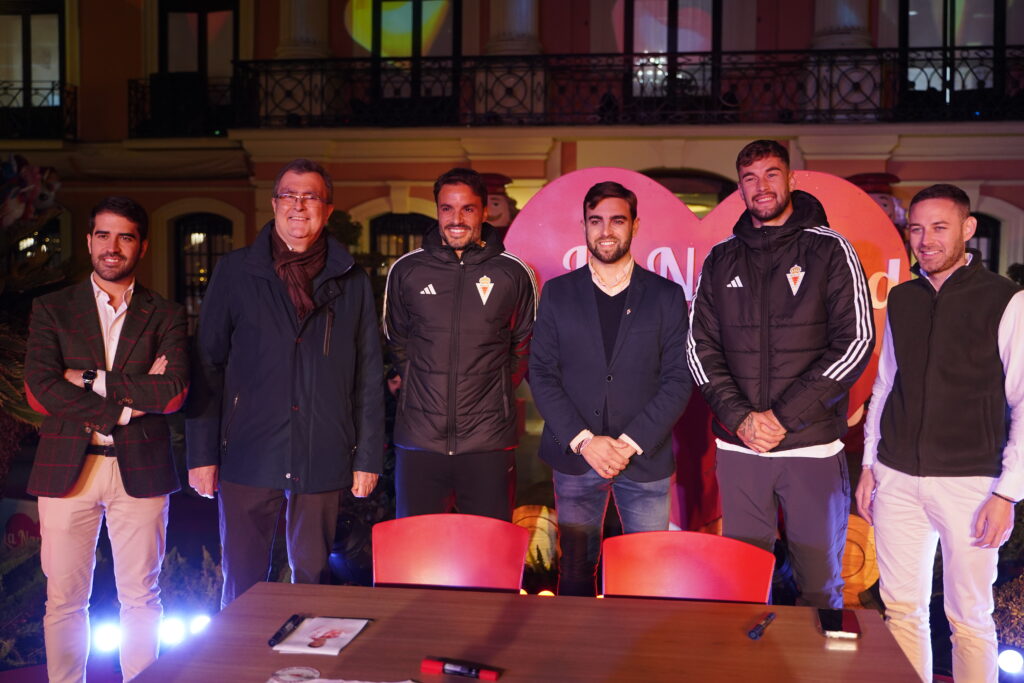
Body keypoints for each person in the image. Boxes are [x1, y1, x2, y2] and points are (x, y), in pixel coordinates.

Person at [187, 158, 384, 607]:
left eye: (310, 196)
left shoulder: (350, 278)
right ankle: (240, 671)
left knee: (312, 578)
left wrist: (368, 456)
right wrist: (201, 454)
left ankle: (304, 672)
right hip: (248, 449)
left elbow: (368, 372)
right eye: (289, 196)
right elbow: (207, 364)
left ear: (327, 209)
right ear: (274, 205)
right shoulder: (237, 271)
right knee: (242, 580)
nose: (299, 205)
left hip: (323, 446)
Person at [686, 139, 874, 608]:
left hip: (811, 447)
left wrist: (782, 417)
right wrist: (743, 419)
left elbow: (855, 343)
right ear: (740, 188)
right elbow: (699, 348)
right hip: (740, 445)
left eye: (771, 174)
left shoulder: (831, 251)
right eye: (750, 178)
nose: (761, 186)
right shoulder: (721, 258)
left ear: (790, 179)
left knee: (819, 586)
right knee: (743, 585)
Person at [857, 183, 1023, 682]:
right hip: (896, 478)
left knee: (969, 618)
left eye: (939, 227)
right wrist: (869, 464)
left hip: (971, 485)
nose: (925, 239)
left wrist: (1008, 494)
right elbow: (886, 386)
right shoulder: (903, 299)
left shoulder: (1006, 300)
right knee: (901, 610)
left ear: (968, 230)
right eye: (916, 228)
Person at [24, 196, 189, 682]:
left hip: (140, 470)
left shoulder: (167, 314)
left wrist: (88, 376)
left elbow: (173, 390)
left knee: (142, 596)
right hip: (66, 469)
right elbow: (41, 387)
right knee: (63, 601)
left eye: (124, 236)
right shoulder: (52, 309)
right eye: (102, 235)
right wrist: (123, 406)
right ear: (89, 240)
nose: (111, 247)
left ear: (142, 245)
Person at [529, 181, 692, 596]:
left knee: (646, 572)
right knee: (576, 571)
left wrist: (629, 442)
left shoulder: (666, 296)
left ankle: (638, 659)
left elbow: (678, 377)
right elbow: (542, 373)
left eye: (617, 220)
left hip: (644, 456)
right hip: (576, 455)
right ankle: (577, 657)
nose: (606, 231)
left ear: (635, 226)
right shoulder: (559, 293)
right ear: (583, 226)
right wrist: (586, 442)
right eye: (596, 221)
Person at [382, 167, 536, 521]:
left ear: (484, 212)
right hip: (420, 439)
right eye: (447, 208)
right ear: (437, 210)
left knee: (488, 555)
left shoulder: (513, 273)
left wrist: (490, 390)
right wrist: (423, 386)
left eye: (467, 209)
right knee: (417, 554)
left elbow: (523, 346)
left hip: (489, 443)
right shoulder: (407, 270)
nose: (456, 219)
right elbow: (398, 341)